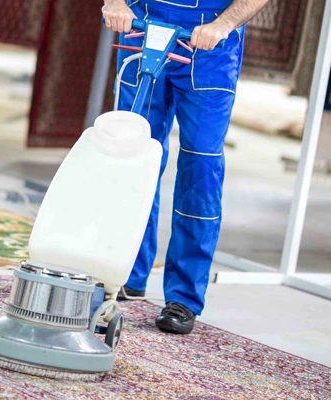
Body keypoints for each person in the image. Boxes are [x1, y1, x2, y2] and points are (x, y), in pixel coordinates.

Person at [101, 0, 269, 335]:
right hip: (142, 23)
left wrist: (223, 25)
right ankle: (123, 273)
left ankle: (184, 297)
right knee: (134, 151)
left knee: (200, 167)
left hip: (210, 42)